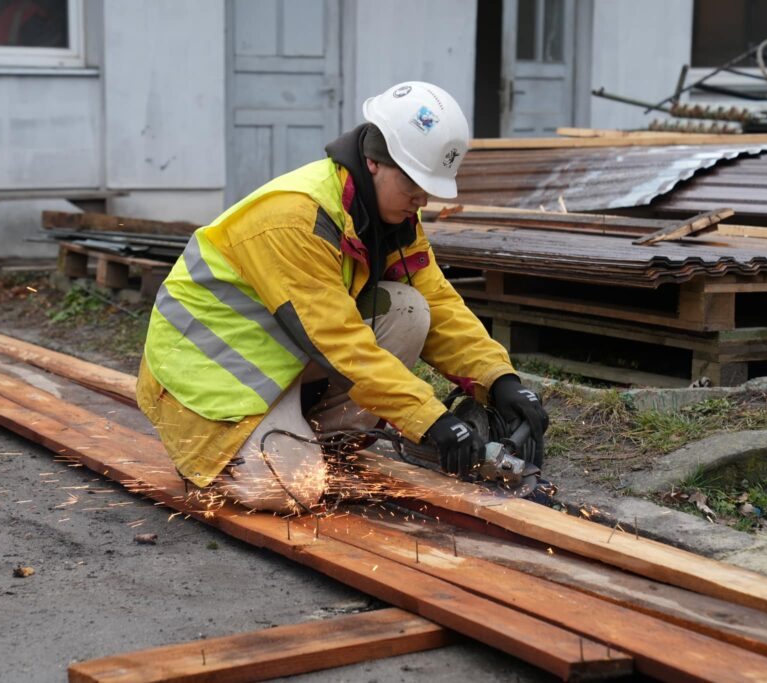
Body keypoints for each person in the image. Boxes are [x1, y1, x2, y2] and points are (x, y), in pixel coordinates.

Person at [137, 81, 548, 514]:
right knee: (292, 487)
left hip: (274, 361)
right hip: (205, 381)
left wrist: (500, 380)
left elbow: (441, 305)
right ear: (373, 161)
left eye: (429, 187)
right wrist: (430, 419)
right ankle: (216, 462)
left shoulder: (390, 216)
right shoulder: (296, 219)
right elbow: (339, 342)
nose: (422, 198)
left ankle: (324, 447)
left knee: (410, 311)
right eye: (414, 183)